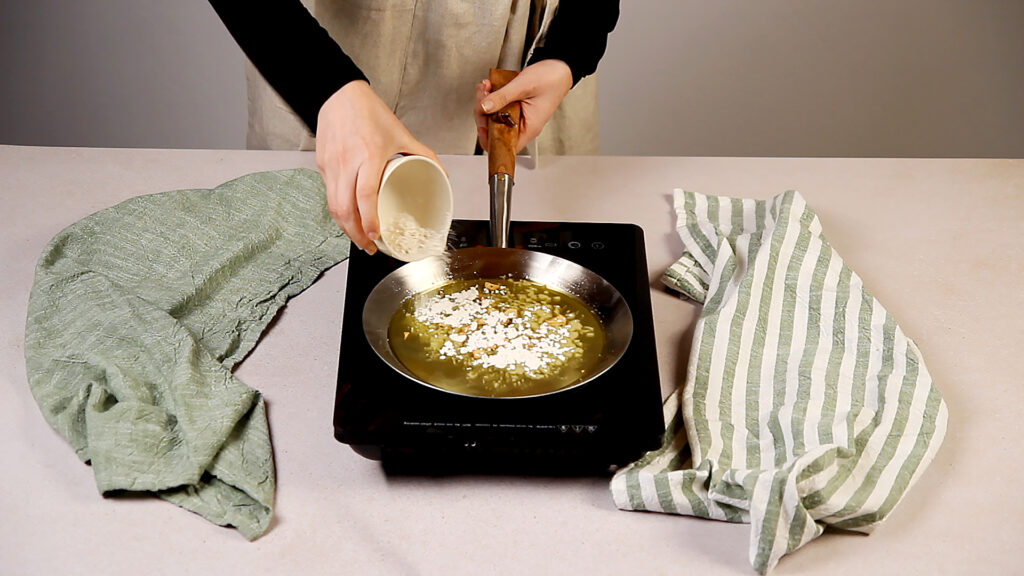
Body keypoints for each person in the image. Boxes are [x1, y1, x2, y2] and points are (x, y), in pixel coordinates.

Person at [209, 0, 619, 254]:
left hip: (543, 44)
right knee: (321, 248)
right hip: (328, 50)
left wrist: (569, 53)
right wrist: (327, 88)